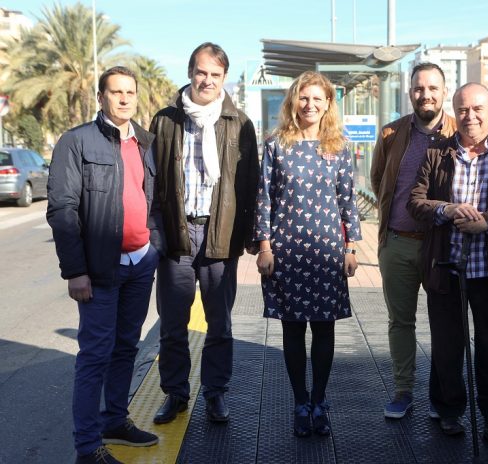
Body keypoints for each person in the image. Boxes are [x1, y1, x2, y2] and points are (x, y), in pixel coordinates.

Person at [408, 83, 488, 438]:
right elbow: (415, 201)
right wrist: (446, 209)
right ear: (455, 113)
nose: (471, 117)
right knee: (447, 347)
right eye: (463, 110)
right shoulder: (437, 152)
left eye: (478, 108)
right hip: (446, 267)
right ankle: (449, 410)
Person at [47, 66, 164, 464]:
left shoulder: (146, 142)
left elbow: (154, 201)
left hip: (140, 263)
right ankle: (86, 447)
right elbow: (63, 210)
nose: (124, 98)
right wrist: (75, 270)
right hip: (99, 270)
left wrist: (156, 246)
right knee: (95, 354)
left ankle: (115, 420)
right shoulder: (76, 141)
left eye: (130, 92)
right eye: (116, 92)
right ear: (101, 97)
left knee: (126, 347)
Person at [149, 42, 259, 425]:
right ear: (190, 72)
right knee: (173, 324)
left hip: (220, 235)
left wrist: (247, 236)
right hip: (177, 238)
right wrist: (156, 235)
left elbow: (249, 183)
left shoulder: (240, 123)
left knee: (220, 324)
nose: (207, 80)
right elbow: (154, 183)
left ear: (224, 77)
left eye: (215, 74)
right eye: (201, 72)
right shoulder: (165, 121)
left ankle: (215, 394)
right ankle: (175, 394)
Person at [254, 71, 361, 438]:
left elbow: (348, 200)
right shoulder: (275, 145)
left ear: (328, 104)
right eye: (303, 98)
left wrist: (350, 247)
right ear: (293, 101)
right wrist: (264, 247)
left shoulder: (338, 147)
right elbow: (263, 198)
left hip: (328, 251)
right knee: (293, 329)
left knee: (325, 329)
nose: (310, 105)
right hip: (287, 253)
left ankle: (320, 401)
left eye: (318, 99)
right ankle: (300, 402)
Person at [370, 62, 457, 419]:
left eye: (433, 88)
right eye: (420, 88)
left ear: (444, 92)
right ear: (410, 92)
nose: (426, 95)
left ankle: (443, 396)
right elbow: (379, 181)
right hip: (398, 242)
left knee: (445, 323)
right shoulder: (392, 133)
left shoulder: (459, 132)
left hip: (442, 245)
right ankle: (403, 389)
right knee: (400, 321)